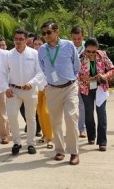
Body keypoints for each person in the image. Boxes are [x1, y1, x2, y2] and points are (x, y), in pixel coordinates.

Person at [38, 21, 81, 165]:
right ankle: (60, 150)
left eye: (49, 32)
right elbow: (44, 68)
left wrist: (68, 79)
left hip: (69, 87)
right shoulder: (42, 50)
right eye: (44, 33)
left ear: (57, 32)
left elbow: (76, 66)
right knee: (55, 122)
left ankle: (74, 152)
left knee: (70, 117)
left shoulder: (68, 45)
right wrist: (53, 80)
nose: (46, 36)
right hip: (53, 89)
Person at [0, 29, 43, 155]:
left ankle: (31, 143)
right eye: (16, 39)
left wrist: (32, 83)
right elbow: (2, 73)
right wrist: (5, 88)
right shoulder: (8, 55)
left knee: (30, 118)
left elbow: (41, 72)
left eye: (21, 39)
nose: (18, 42)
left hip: (30, 90)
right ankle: (17, 143)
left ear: (26, 40)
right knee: (12, 116)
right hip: (13, 90)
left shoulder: (34, 54)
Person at [77, 38, 114, 151]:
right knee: (88, 114)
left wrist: (104, 76)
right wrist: (81, 77)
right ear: (85, 49)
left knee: (102, 114)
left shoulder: (102, 55)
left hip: (100, 88)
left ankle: (102, 141)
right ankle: (91, 136)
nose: (91, 54)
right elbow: (73, 72)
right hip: (86, 88)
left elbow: (112, 69)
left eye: (94, 51)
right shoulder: (80, 57)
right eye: (88, 51)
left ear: (97, 49)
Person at [33, 36, 53, 149]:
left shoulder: (48, 56)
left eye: (39, 44)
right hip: (36, 89)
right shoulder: (31, 56)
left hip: (47, 87)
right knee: (40, 113)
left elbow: (54, 70)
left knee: (46, 112)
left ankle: (50, 138)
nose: (37, 46)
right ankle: (44, 135)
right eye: (35, 44)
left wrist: (51, 84)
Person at [71, 26, 87, 138]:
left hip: (84, 82)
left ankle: (82, 128)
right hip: (70, 81)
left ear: (83, 36)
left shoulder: (88, 47)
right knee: (71, 107)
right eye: (74, 38)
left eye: (79, 39)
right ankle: (72, 129)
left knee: (82, 105)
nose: (77, 41)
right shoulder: (67, 46)